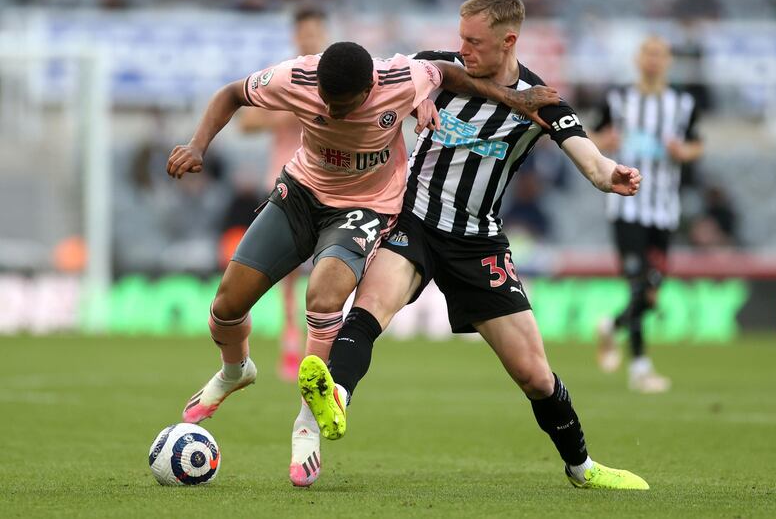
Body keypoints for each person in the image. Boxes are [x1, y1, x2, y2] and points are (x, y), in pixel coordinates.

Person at [297, 0, 649, 490]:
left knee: (534, 375)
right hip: (411, 221)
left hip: (478, 243)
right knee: (370, 308)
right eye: (460, 37)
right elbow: (376, 86)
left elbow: (591, 161)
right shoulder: (435, 70)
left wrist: (612, 175)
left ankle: (582, 467)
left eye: (474, 41)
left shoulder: (541, 100)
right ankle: (337, 398)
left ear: (508, 41)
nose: (463, 48)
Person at [166, 39, 560, 487]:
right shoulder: (296, 77)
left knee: (326, 292)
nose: (332, 113)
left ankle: (307, 423)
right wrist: (197, 145)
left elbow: (447, 74)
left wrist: (509, 98)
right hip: (300, 193)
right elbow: (231, 94)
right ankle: (236, 371)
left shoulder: (399, 77)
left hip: (365, 206)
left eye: (344, 105)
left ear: (370, 88)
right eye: (327, 103)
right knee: (226, 307)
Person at [592, 35, 703, 392]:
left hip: (664, 208)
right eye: (648, 54)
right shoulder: (618, 99)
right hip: (626, 206)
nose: (653, 60)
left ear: (668, 60)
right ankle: (640, 368)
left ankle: (612, 324)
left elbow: (697, 144)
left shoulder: (683, 104)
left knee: (652, 293)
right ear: (639, 59)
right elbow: (589, 134)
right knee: (638, 283)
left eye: (660, 54)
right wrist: (603, 143)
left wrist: (682, 151)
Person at [238, 6, 329, 382]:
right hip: (283, 179)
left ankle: (317, 345)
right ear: (296, 36)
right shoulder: (285, 75)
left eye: (314, 31)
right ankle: (290, 341)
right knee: (286, 274)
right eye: (303, 32)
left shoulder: (337, 74)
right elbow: (246, 120)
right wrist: (290, 112)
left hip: (327, 181)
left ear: (324, 33)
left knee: (326, 270)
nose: (308, 38)